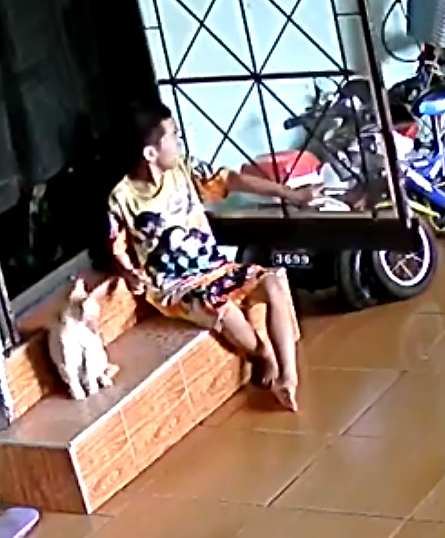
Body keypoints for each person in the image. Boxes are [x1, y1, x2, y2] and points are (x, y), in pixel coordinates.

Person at [107, 101, 312, 410]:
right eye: (173, 136)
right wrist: (128, 273)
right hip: (177, 287)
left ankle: (289, 377)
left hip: (215, 268)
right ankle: (262, 354)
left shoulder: (184, 169)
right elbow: (116, 247)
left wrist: (291, 195)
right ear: (150, 153)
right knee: (223, 309)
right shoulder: (121, 198)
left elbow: (232, 180)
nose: (180, 141)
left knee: (272, 282)